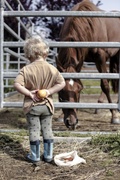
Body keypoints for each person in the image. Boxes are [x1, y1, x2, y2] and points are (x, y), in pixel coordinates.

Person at [14, 35, 65, 163]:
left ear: (28, 55)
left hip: (32, 106)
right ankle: (48, 155)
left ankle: (35, 156)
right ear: (46, 53)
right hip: (47, 106)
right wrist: (48, 91)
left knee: (34, 130)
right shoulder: (52, 69)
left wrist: (30, 94)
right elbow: (62, 83)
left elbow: (17, 84)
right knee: (47, 129)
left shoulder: (25, 70)